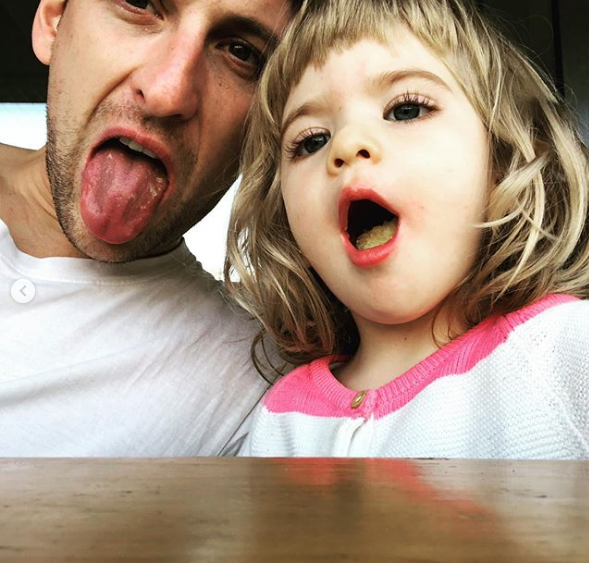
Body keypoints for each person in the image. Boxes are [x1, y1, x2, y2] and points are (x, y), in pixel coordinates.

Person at [226, 0, 589, 458]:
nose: (347, 145)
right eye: (312, 140)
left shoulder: (565, 351)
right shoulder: (279, 419)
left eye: (406, 110)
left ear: (501, 158)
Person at [0, 0, 300, 456]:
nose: (168, 93)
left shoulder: (253, 395)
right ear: (54, 18)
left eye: (241, 52)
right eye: (139, 3)